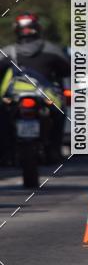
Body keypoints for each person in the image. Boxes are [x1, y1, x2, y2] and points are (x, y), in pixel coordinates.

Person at [0, 13, 70, 162]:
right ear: (37, 28)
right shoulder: (52, 49)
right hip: (45, 95)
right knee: (59, 113)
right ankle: (53, 151)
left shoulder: (7, 52)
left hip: (14, 96)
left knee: (3, 114)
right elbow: (67, 69)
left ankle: (7, 154)